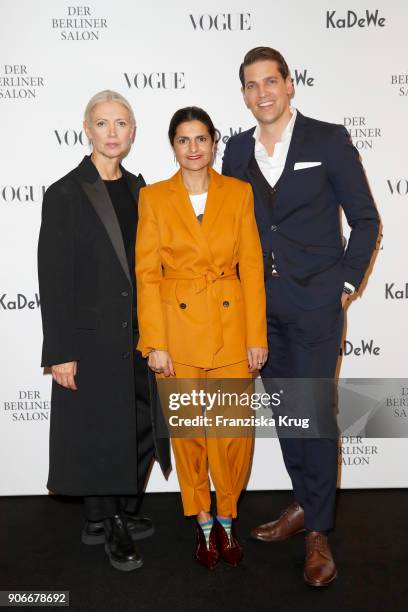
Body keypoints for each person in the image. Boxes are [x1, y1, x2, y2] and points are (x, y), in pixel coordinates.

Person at [222, 47, 380, 586]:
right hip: (259, 310)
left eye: (271, 81)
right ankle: (303, 504)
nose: (262, 92)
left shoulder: (327, 139)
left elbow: (364, 218)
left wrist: (343, 283)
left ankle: (318, 531)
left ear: (289, 85)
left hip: (315, 304)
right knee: (288, 413)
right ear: (243, 93)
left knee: (313, 412)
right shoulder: (236, 150)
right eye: (251, 84)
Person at [37, 90, 170, 572]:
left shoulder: (143, 190)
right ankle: (109, 521)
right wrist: (61, 351)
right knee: (98, 433)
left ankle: (110, 513)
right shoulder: (66, 192)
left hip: (140, 336)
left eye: (121, 123)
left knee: (139, 427)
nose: (112, 133)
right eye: (102, 123)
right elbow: (52, 279)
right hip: (91, 340)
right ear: (87, 130)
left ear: (133, 133)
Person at [136, 106, 267, 569]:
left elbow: (251, 266)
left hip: (232, 329)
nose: (193, 148)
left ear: (214, 142)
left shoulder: (239, 192)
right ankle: (204, 522)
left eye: (201, 139)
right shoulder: (153, 198)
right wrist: (155, 343)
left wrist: (256, 336)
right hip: (178, 332)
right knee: (190, 434)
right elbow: (147, 275)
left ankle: (228, 519)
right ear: (173, 146)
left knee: (232, 434)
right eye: (183, 140)